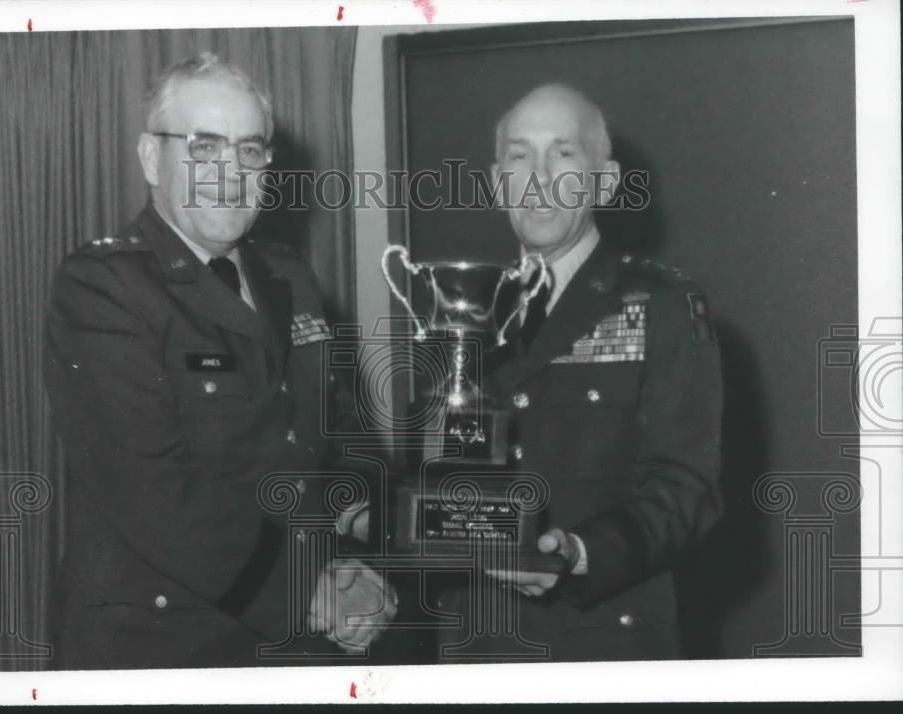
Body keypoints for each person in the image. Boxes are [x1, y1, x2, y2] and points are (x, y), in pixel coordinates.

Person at [44, 52, 395, 670]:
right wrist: (310, 589)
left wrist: (361, 545)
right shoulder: (104, 286)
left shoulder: (290, 277)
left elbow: (343, 434)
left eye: (251, 150)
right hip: (166, 645)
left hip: (300, 638)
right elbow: (152, 491)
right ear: (153, 160)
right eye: (204, 149)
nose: (231, 172)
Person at [431, 83, 724, 662]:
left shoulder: (662, 303)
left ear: (605, 182)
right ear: (497, 182)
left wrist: (581, 551)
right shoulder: (460, 307)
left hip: (602, 643)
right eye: (519, 156)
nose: (538, 176)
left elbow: (687, 490)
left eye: (562, 154)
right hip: (476, 642)